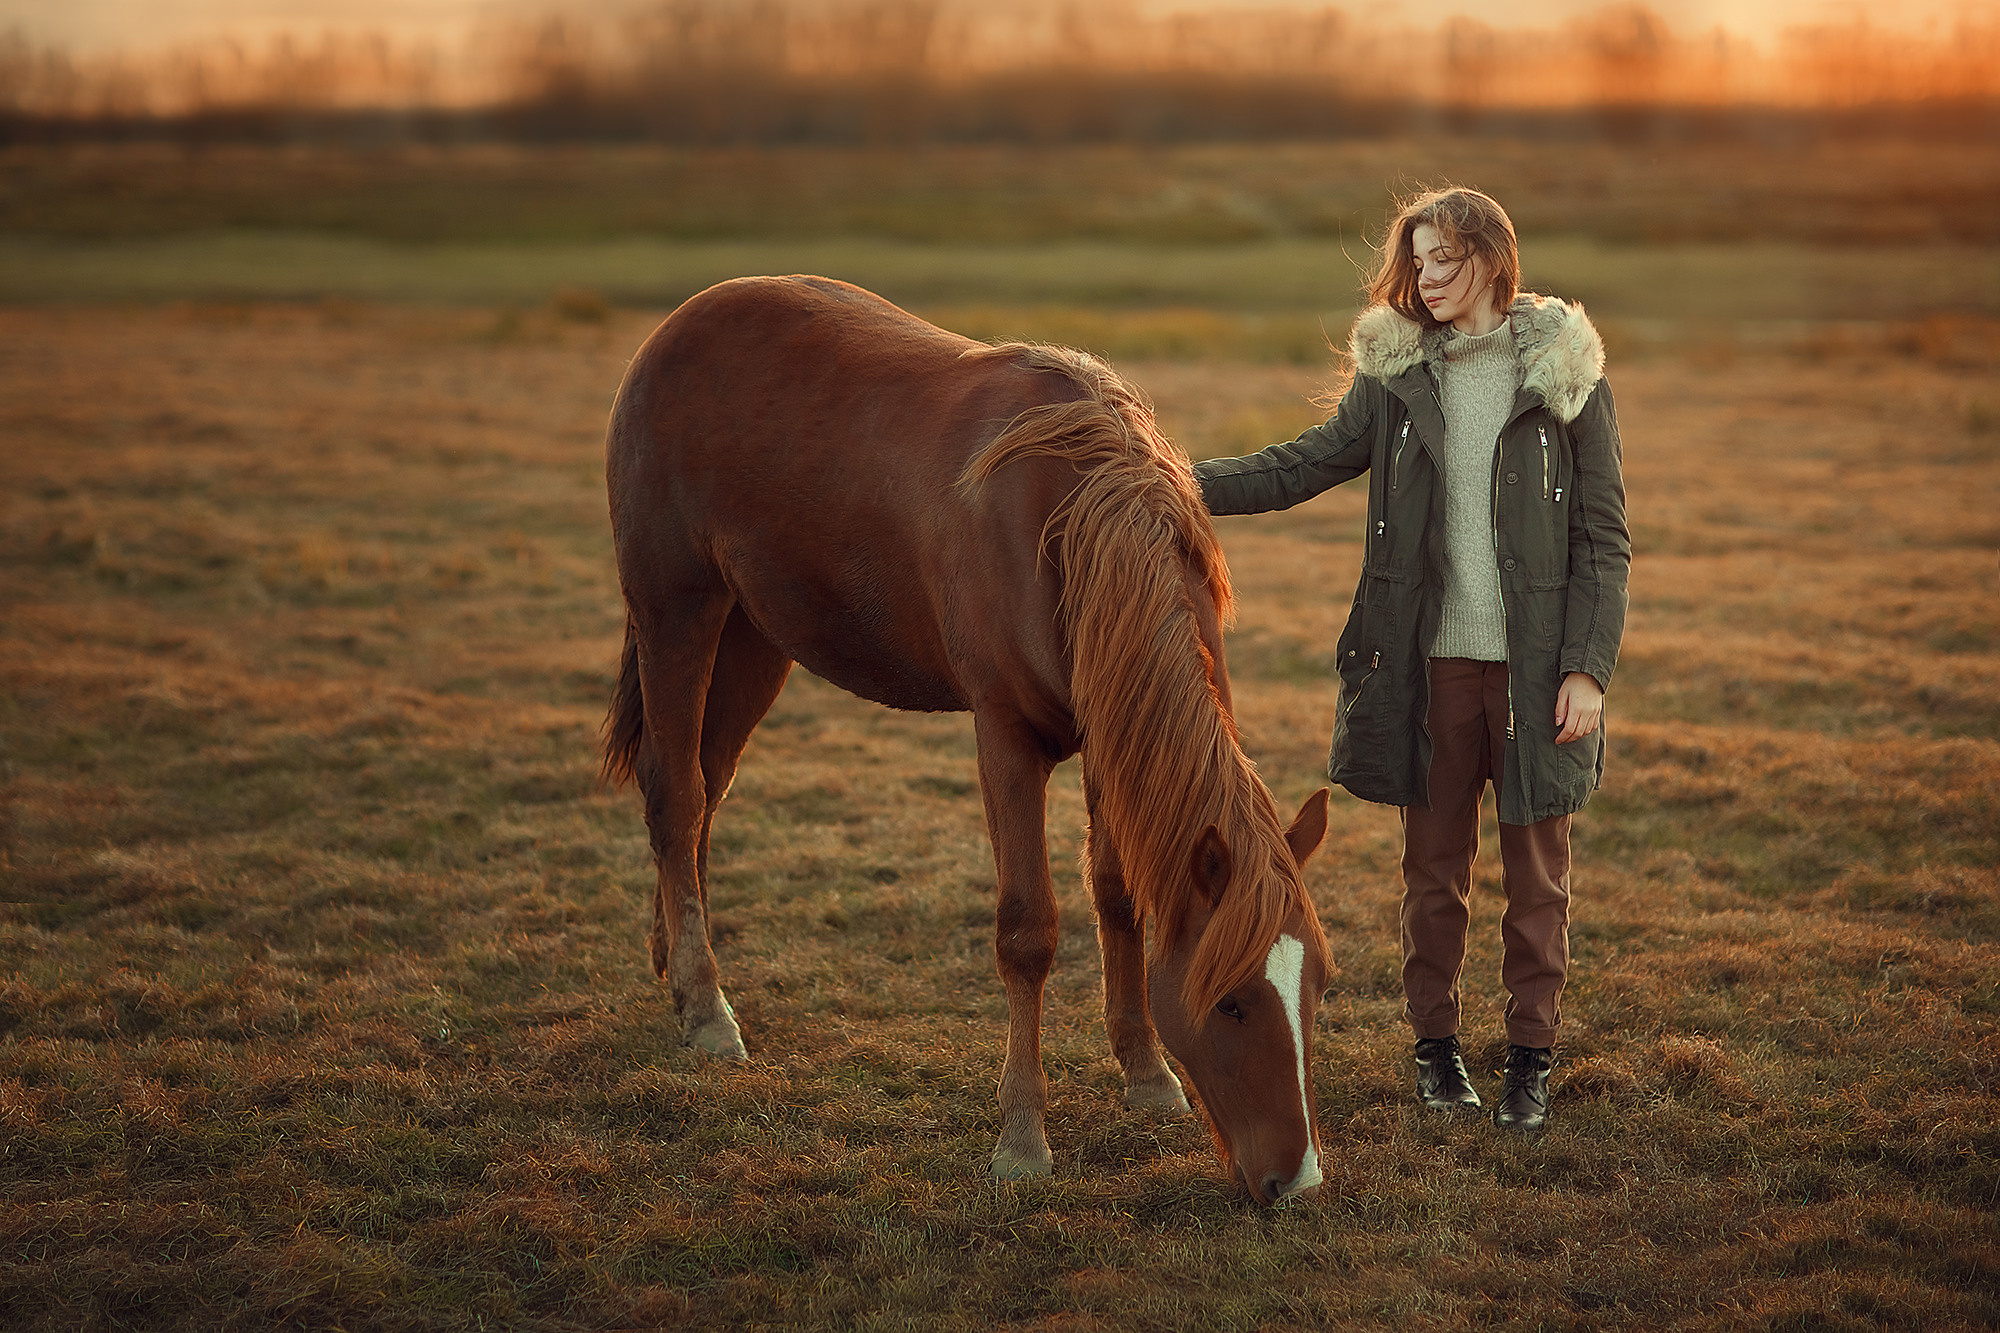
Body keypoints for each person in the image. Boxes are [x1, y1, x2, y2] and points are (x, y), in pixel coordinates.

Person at [1190, 187, 1629, 1131]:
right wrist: (1181, 483)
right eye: (1418, 259)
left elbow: (1604, 535)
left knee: (1537, 878)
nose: (1426, 278)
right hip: (1430, 671)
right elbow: (1305, 461)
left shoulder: (1563, 373)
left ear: (1493, 260)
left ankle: (1529, 1061)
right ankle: (1436, 1053)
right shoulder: (1395, 375)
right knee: (1434, 874)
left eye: (1446, 259)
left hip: (1538, 670)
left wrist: (1586, 668)